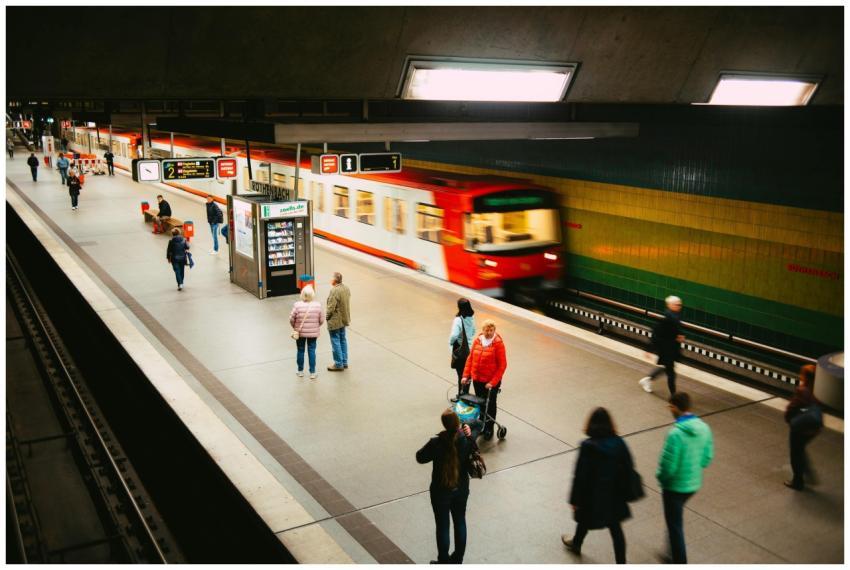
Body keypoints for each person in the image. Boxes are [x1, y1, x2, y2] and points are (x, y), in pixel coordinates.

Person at [563, 408, 634, 564]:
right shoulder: (619, 443)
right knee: (616, 530)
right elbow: (628, 467)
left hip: (592, 496)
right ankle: (621, 563)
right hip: (613, 496)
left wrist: (575, 500)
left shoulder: (587, 446)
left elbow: (580, 476)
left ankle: (576, 544)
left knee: (584, 520)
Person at [656, 392, 713, 564]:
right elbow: (707, 457)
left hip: (674, 487)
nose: (669, 409)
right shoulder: (704, 428)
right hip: (693, 484)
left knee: (675, 526)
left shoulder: (675, 434)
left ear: (676, 407)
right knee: (674, 521)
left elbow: (668, 467)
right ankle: (669, 553)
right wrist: (695, 469)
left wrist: (661, 479)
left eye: (670, 406)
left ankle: (679, 561)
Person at [416, 409, 475, 564]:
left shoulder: (436, 443)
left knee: (442, 526)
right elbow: (474, 449)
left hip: (440, 490)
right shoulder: (465, 441)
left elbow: (420, 457)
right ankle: (458, 559)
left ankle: (443, 560)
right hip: (461, 488)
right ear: (458, 423)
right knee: (460, 521)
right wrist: (469, 435)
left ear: (444, 424)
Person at [461, 319, 507, 439]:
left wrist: (492, 382)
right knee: (480, 403)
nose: (488, 332)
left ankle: (489, 428)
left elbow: (502, 365)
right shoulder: (478, 341)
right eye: (486, 330)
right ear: (483, 330)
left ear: (494, 330)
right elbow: (470, 359)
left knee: (490, 404)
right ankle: (481, 425)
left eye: (491, 330)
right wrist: (466, 376)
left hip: (490, 382)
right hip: (478, 380)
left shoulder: (498, 344)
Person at [784, 364, 822, 491]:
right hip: (814, 428)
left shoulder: (802, 390)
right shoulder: (819, 391)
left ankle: (798, 481)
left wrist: (789, 418)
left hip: (800, 427)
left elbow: (792, 407)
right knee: (800, 449)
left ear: (804, 377)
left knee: (796, 452)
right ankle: (808, 473)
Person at [639, 295, 685, 395]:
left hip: (672, 348)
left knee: (667, 368)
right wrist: (649, 349)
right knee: (671, 373)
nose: (679, 306)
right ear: (670, 305)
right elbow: (656, 334)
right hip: (666, 349)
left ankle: (648, 379)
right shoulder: (668, 317)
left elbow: (673, 331)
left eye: (680, 305)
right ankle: (673, 396)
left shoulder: (675, 315)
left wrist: (679, 336)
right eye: (677, 305)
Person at [289, 285, 325, 380]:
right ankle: (312, 372)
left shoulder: (297, 305)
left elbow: (291, 319)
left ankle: (300, 371)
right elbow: (321, 320)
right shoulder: (318, 305)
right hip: (313, 333)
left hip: (300, 333)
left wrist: (295, 327)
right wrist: (315, 327)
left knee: (300, 350)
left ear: (302, 294)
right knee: (312, 350)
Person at [449, 298, 476, 396]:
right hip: (470, 349)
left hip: (461, 350)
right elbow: (473, 331)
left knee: (461, 374)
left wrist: (451, 343)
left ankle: (461, 396)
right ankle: (465, 394)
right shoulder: (472, 317)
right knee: (467, 374)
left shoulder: (458, 319)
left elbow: (454, 335)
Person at [325, 272, 351, 371]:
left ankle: (338, 364)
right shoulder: (346, 288)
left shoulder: (334, 291)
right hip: (344, 319)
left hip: (335, 321)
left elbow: (331, 307)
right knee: (343, 339)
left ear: (335, 280)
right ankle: (344, 362)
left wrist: (327, 317)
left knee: (335, 340)